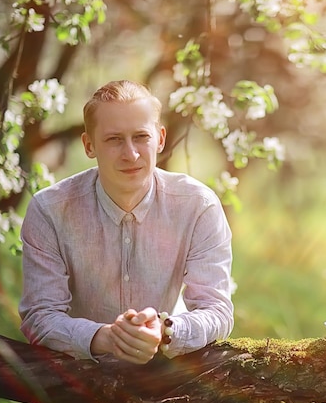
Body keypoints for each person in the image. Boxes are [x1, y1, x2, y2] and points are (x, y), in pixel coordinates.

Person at [19, 80, 234, 364]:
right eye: (114, 139)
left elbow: (217, 309)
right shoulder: (49, 211)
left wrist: (166, 331)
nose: (130, 154)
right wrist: (106, 337)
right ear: (89, 145)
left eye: (141, 137)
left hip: (167, 374)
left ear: (160, 138)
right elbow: (39, 314)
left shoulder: (198, 206)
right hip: (79, 374)